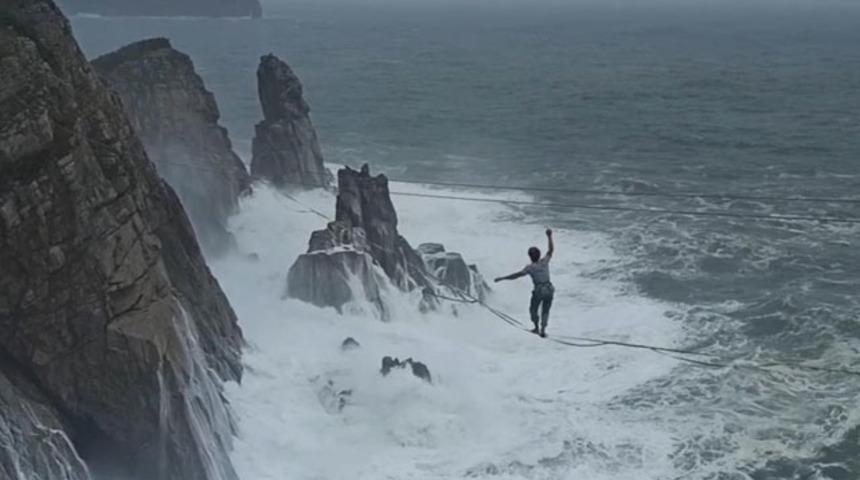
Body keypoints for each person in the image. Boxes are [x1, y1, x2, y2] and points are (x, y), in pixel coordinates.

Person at [494, 229, 555, 337]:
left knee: (533, 310)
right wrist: (549, 236)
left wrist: (502, 278)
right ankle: (543, 330)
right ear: (539, 255)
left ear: (530, 256)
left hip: (539, 290)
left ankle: (536, 328)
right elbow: (551, 250)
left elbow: (516, 275)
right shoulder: (544, 262)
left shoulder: (530, 268)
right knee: (545, 310)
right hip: (549, 289)